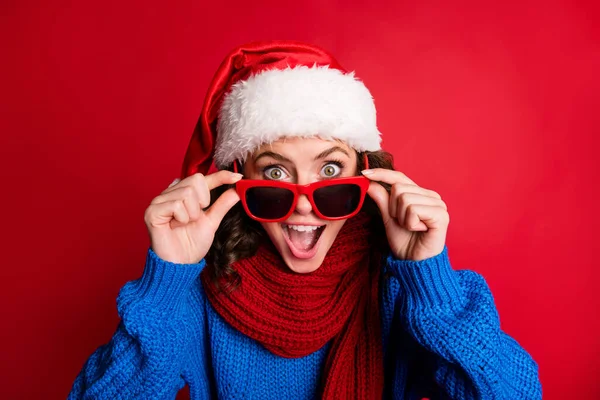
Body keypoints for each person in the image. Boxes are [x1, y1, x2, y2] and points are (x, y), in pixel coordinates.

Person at [68, 41, 542, 399]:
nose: (303, 203)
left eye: (330, 170)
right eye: (275, 172)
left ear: (369, 175)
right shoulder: (200, 294)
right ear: (236, 182)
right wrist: (167, 280)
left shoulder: (398, 289)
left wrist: (430, 280)